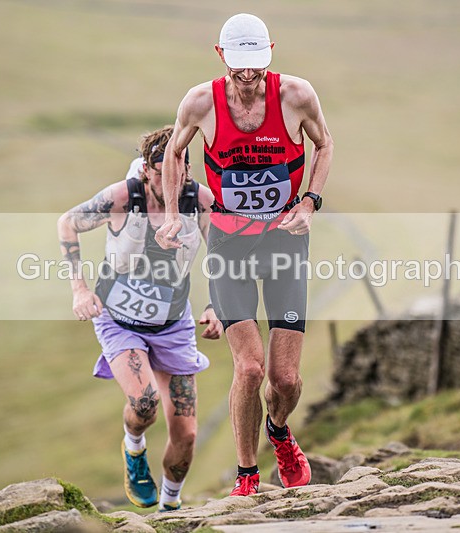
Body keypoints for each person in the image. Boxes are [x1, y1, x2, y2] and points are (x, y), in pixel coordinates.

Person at [155, 13, 333, 496]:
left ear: (270, 53)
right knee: (250, 368)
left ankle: (279, 431)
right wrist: (172, 213)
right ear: (220, 56)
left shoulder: (296, 95)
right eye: (239, 66)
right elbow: (174, 154)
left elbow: (324, 144)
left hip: (284, 240)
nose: (248, 75)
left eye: (256, 64)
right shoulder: (199, 103)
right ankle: (246, 475)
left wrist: (309, 203)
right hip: (229, 245)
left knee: (286, 380)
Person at [57, 126, 223, 510]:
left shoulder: (200, 201)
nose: (171, 175)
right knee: (145, 404)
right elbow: (68, 222)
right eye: (162, 167)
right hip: (119, 319)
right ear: (147, 170)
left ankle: (170, 508)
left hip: (173, 323)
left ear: (187, 167)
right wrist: (79, 290)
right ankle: (134, 451)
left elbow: (220, 254)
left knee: (186, 433)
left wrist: (216, 305)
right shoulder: (122, 197)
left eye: (179, 165)